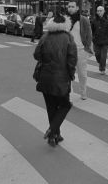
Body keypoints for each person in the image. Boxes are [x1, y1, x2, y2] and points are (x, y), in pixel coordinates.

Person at [33, 10, 77, 147]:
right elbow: (72, 59)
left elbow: (36, 55)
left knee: (51, 107)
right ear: (66, 25)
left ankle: (55, 136)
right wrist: (71, 74)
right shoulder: (68, 37)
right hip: (61, 78)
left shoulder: (45, 36)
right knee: (65, 105)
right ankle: (52, 131)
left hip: (45, 77)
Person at [67, 0, 93, 100]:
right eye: (69, 6)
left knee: (82, 74)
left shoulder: (84, 20)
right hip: (68, 51)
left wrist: (87, 48)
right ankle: (68, 94)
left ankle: (83, 92)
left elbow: (89, 35)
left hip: (81, 51)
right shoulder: (64, 20)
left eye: (72, 6)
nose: (70, 8)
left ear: (77, 8)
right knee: (68, 74)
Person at [90, 6, 108, 75]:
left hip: (105, 42)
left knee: (103, 56)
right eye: (98, 11)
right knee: (97, 55)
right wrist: (91, 38)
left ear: (104, 11)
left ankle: (102, 69)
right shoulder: (94, 20)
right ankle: (101, 63)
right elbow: (91, 30)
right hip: (96, 41)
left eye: (100, 11)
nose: (99, 12)